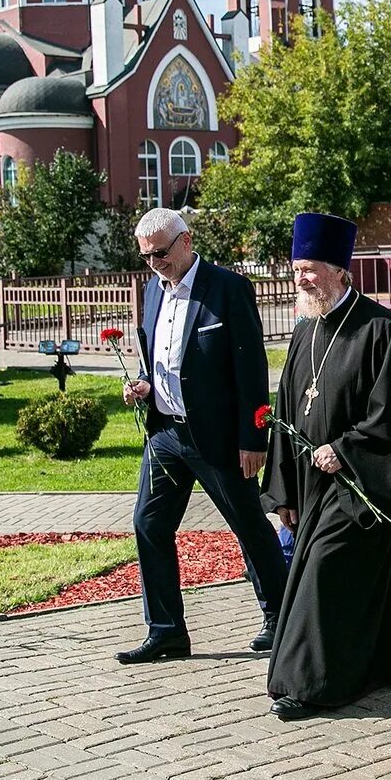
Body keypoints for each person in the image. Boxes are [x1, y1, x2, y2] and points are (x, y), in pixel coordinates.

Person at [263, 213, 391, 719]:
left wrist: (347, 448)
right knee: (354, 576)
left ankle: (311, 684)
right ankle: (387, 660)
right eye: (297, 269)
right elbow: (288, 410)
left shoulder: (380, 329)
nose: (302, 278)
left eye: (311, 268)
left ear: (340, 270)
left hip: (361, 486)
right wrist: (284, 492)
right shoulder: (305, 330)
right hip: (312, 484)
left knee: (324, 571)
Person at [118, 208, 288, 663]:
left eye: (160, 253)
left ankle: (282, 617)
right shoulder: (153, 290)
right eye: (146, 256)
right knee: (148, 524)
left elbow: (251, 369)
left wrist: (253, 439)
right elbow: (157, 355)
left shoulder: (229, 289)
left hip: (218, 438)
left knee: (248, 525)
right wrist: (142, 384)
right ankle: (167, 631)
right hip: (165, 435)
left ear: (186, 241)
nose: (154, 263)